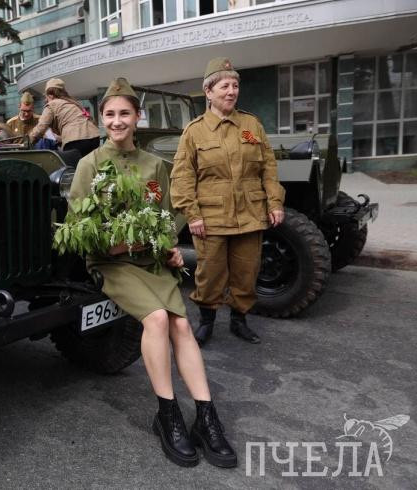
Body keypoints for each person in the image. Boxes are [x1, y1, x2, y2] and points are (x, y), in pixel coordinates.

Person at [70, 77, 237, 469]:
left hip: (151, 262)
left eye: (124, 113)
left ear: (137, 117)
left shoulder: (153, 166)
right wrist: (125, 245)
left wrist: (171, 249)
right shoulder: (90, 165)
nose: (117, 121)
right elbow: (82, 231)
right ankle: (168, 414)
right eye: (109, 114)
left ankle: (206, 417)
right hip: (113, 263)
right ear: (101, 120)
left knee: (181, 325)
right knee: (159, 318)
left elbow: (164, 219)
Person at [170, 57, 286, 346]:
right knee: (209, 274)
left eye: (235, 85)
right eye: (225, 86)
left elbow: (268, 168)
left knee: (247, 272)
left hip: (249, 213)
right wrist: (192, 214)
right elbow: (182, 176)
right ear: (208, 92)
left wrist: (274, 202)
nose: (232, 91)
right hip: (211, 218)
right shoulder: (194, 131)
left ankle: (239, 321)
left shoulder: (251, 124)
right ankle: (206, 322)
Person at [29, 78, 100, 157]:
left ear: (49, 95)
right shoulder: (72, 103)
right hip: (95, 137)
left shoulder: (52, 105)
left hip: (76, 141)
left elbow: (41, 128)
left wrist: (28, 141)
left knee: (69, 167)